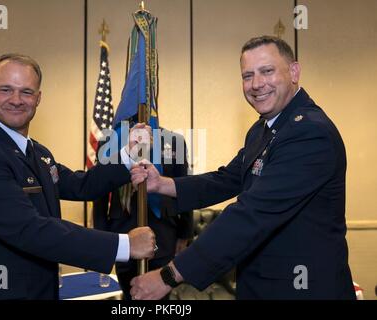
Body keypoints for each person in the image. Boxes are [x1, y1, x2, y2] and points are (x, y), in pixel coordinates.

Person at [130, 36, 355, 300]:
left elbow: (251, 214)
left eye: (267, 71)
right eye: (247, 76)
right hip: (261, 285)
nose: (256, 84)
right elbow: (228, 178)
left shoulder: (309, 133)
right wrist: (164, 184)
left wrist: (170, 275)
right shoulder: (263, 129)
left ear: (294, 72)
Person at [0, 53, 156, 300]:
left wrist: (128, 156)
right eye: (6, 90)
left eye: (26, 92)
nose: (16, 100)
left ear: (38, 98)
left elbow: (82, 185)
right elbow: (30, 229)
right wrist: (124, 245)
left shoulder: (37, 152)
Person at [93, 128, 193, 299]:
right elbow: (100, 191)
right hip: (122, 233)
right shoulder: (109, 140)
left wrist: (185, 233)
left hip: (164, 234)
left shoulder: (174, 140)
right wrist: (101, 238)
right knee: (129, 294)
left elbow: (183, 188)